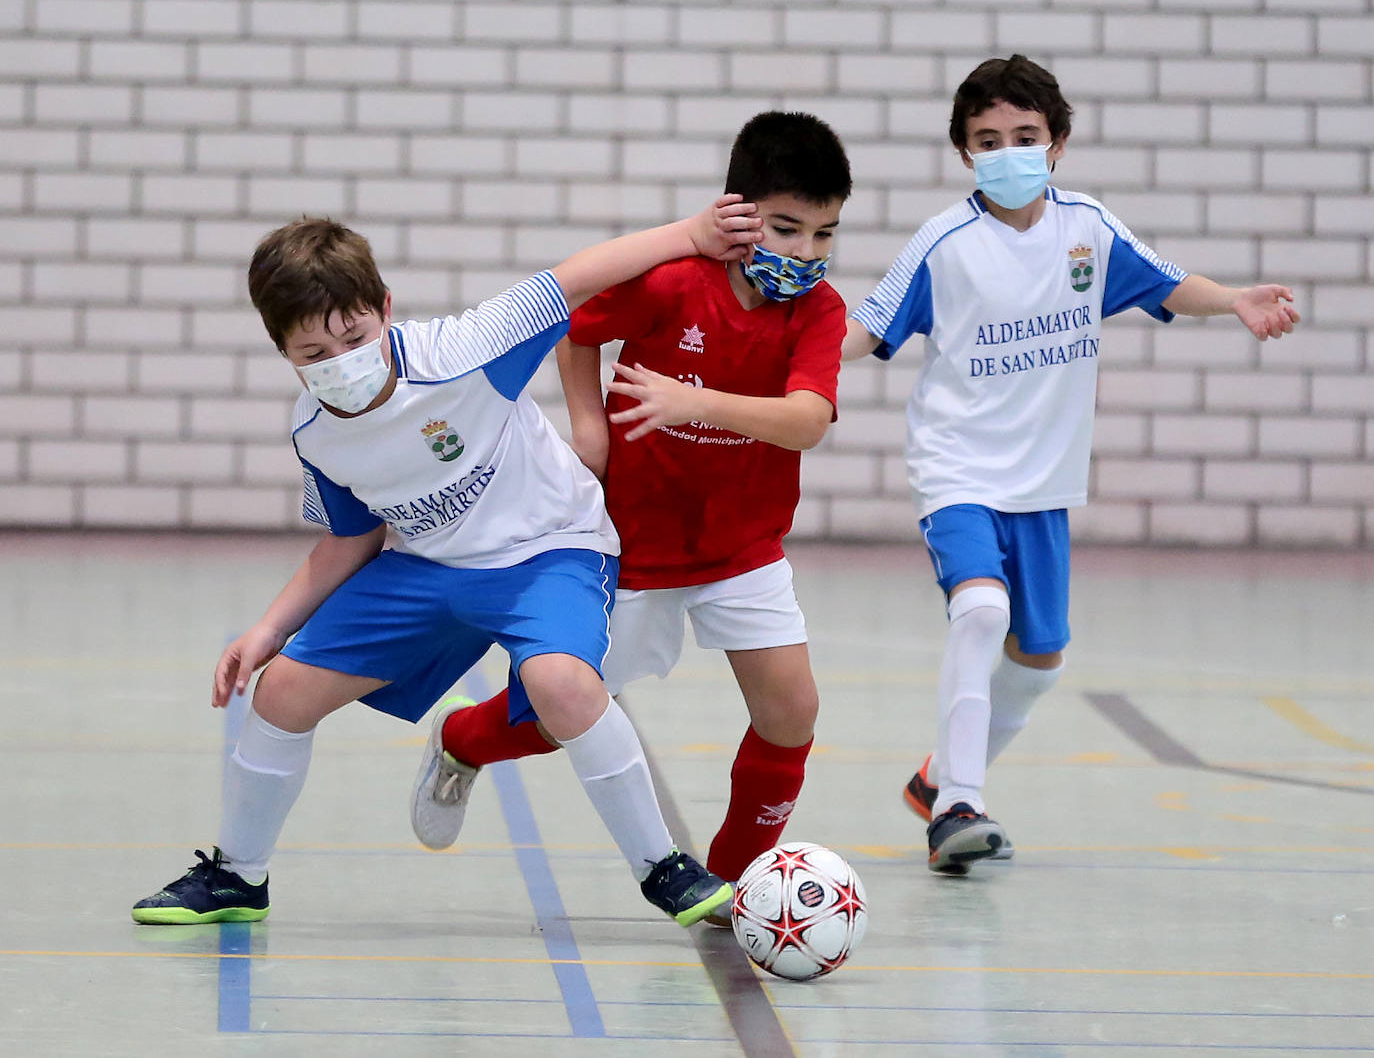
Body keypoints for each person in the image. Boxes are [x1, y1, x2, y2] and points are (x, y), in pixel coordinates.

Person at [131, 198, 766, 927]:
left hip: (547, 549)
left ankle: (662, 866)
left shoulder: (465, 350)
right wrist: (266, 632)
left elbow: (570, 281)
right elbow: (349, 538)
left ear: (385, 309)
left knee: (561, 684)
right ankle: (239, 878)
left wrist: (692, 235)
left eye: (355, 337)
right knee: (279, 694)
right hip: (431, 568)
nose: (340, 363)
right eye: (314, 355)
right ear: (284, 354)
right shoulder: (315, 433)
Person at [842, 54, 1299, 875]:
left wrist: (1232, 300)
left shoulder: (1087, 227)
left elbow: (1165, 282)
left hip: (1043, 485)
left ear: (1056, 144)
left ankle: (936, 776)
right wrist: (767, 365)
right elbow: (864, 332)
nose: (1008, 151)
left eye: (1025, 135)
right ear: (963, 153)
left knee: (1041, 658)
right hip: (959, 472)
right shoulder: (942, 245)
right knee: (979, 610)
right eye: (988, 139)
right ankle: (958, 808)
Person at [413, 111, 851, 923]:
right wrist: (589, 424)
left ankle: (734, 884)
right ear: (740, 213)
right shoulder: (672, 282)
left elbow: (806, 421)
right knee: (553, 720)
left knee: (792, 712)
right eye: (787, 228)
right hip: (633, 549)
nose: (806, 252)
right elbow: (576, 329)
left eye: (824, 234)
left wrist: (696, 401)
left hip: (743, 547)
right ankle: (463, 740)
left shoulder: (818, 314)